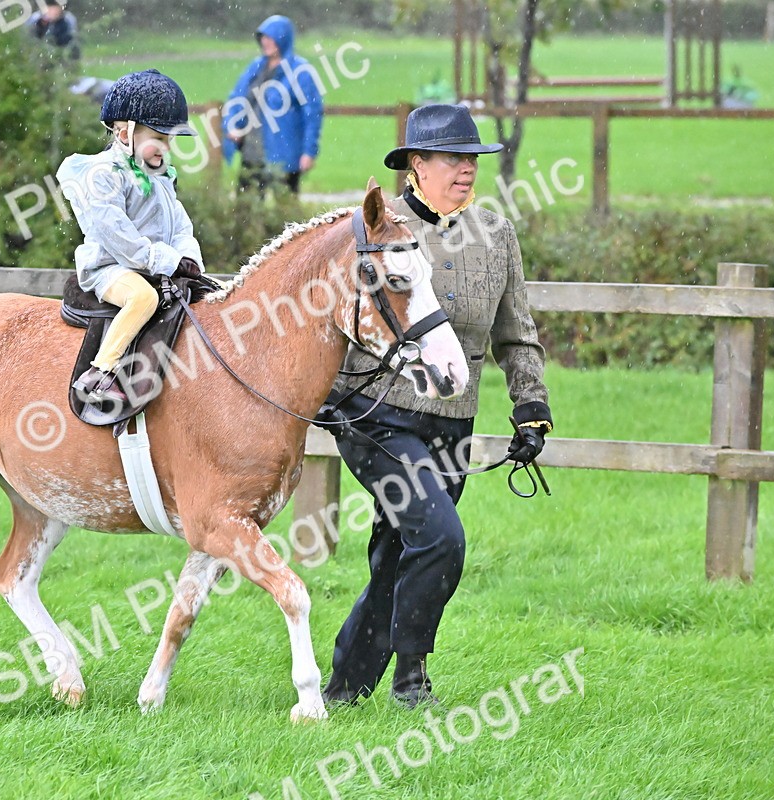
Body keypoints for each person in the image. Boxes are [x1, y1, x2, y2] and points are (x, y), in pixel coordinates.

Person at [319, 104, 553, 709]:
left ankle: (344, 690)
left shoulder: (497, 235)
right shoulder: (377, 228)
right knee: (441, 538)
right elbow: (322, 315)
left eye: (472, 158)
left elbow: (516, 333)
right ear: (416, 165)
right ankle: (412, 679)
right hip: (375, 414)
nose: (467, 169)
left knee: (398, 551)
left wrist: (531, 406)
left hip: (453, 421)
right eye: (452, 158)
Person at [55, 69, 206, 406]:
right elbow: (120, 239)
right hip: (109, 268)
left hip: (150, 267)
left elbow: (180, 225)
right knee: (143, 298)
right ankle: (99, 372)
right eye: (159, 138)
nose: (166, 148)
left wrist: (189, 259)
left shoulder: (160, 176)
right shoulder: (103, 177)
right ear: (125, 134)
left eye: (169, 141)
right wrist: (167, 261)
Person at [222, 14, 323, 194]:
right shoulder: (256, 67)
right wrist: (232, 125)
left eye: (271, 38)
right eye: (263, 38)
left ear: (283, 39)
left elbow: (312, 115)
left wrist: (309, 151)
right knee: (246, 205)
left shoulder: (300, 72)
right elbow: (236, 98)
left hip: (285, 155)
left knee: (285, 207)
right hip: (252, 151)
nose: (265, 42)